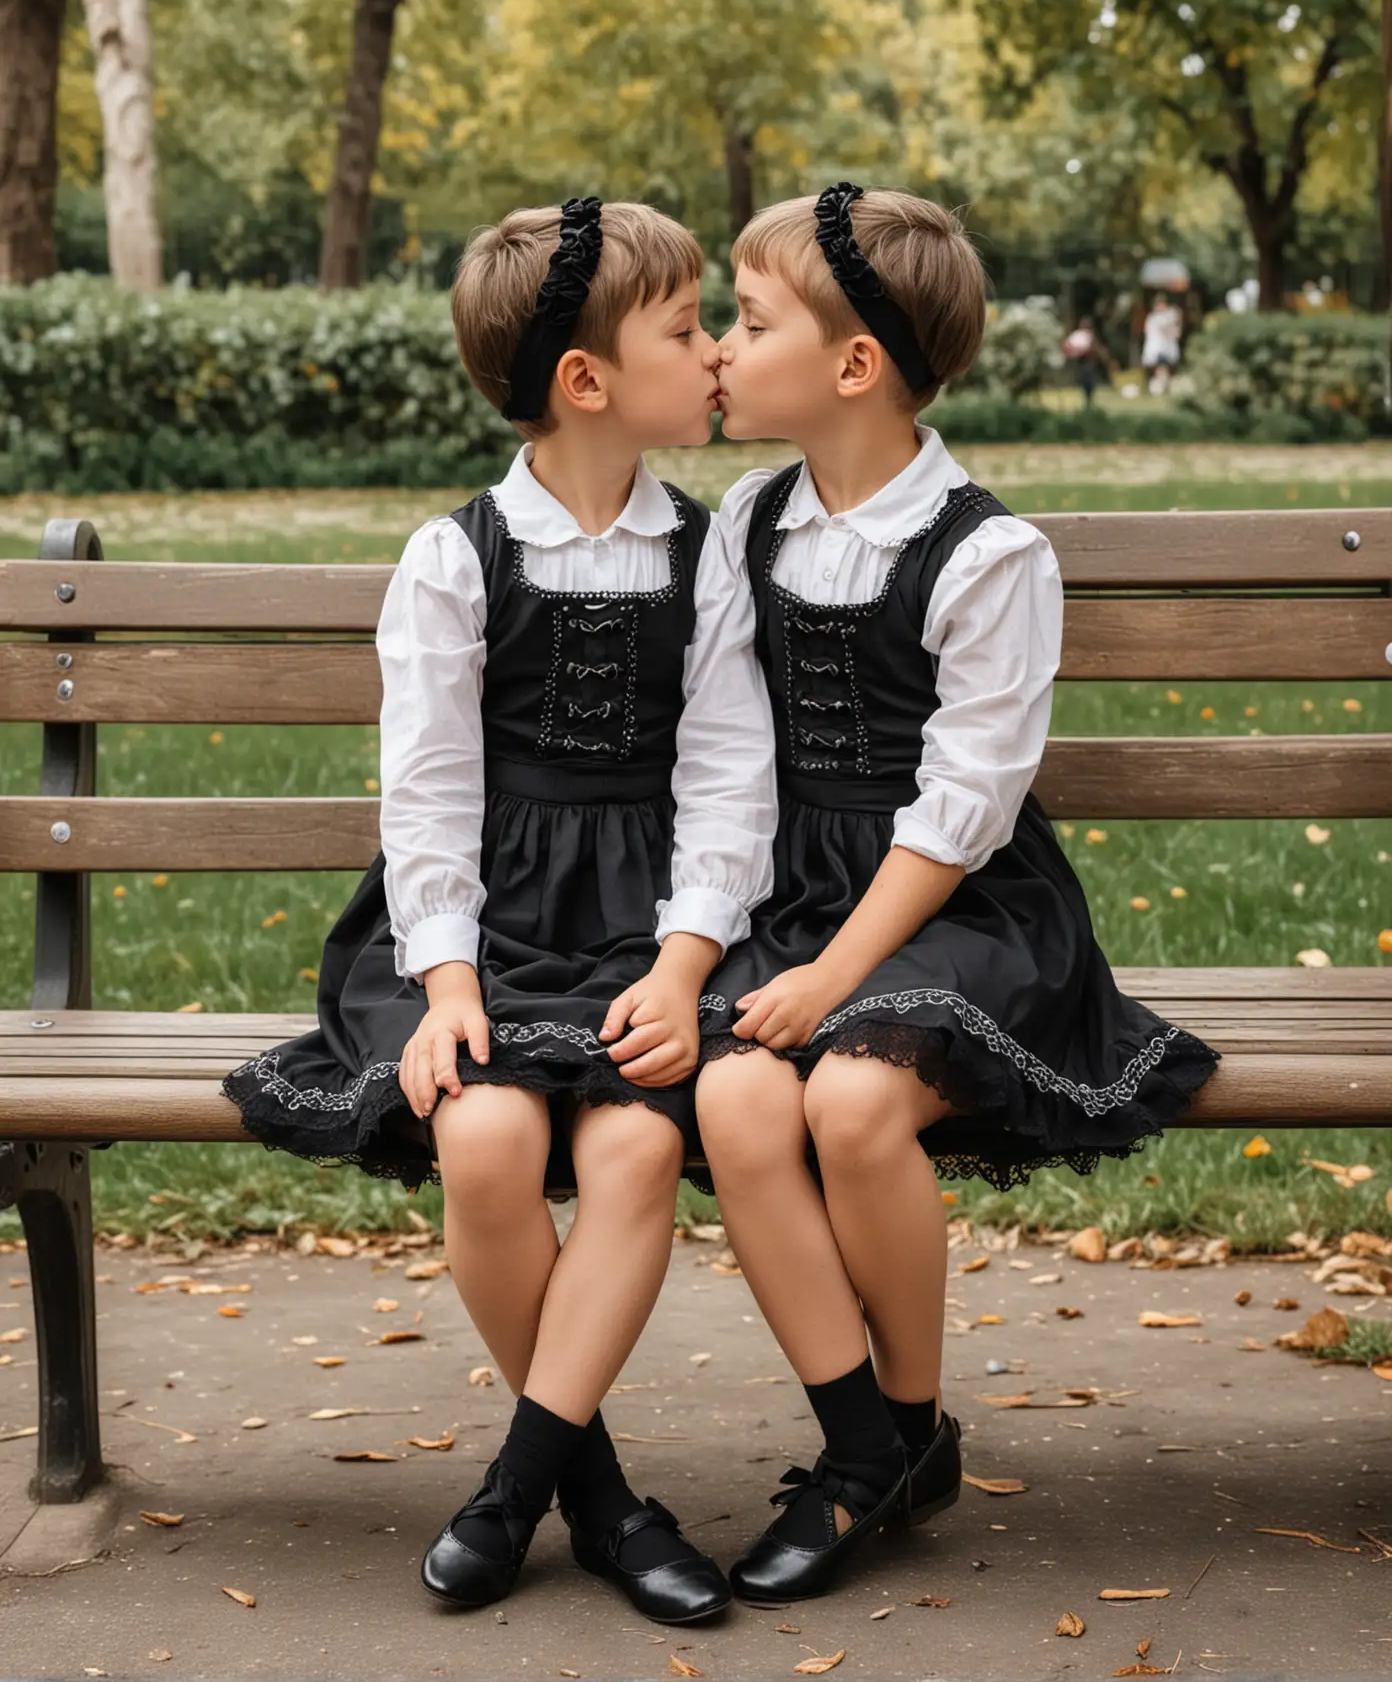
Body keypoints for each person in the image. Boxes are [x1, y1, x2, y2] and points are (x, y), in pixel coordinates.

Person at [224, 198, 777, 1623]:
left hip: (643, 935)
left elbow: (727, 784)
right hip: (475, 928)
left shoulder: (702, 552)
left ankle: (512, 1490)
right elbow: (425, 794)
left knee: (638, 1159)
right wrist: (450, 983)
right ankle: (596, 1496)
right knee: (481, 1138)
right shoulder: (454, 558)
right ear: (587, 380)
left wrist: (683, 964)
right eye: (685, 328)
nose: (712, 351)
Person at [691, 184, 1220, 1603]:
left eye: (746, 323)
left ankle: (908, 1427)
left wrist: (822, 977)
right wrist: (719, 955)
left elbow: (964, 810)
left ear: (855, 365)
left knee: (852, 1098)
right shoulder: (750, 523)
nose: (718, 350)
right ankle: (872, 1448)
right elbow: (735, 769)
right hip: (804, 895)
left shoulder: (990, 554)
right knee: (739, 1094)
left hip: (961, 908)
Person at [1060, 313, 1108, 407]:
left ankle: (1089, 399)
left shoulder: (1091, 336)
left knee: (1089, 380)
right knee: (1085, 379)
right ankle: (1087, 398)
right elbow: (1066, 346)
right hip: (1080, 361)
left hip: (1089, 361)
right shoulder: (1077, 335)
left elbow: (1096, 348)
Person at [1140, 293, 1182, 394]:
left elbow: (1176, 331)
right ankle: (1157, 387)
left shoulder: (1168, 315)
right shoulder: (1153, 317)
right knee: (1158, 369)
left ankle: (1163, 387)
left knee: (1164, 368)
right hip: (1155, 347)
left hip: (1166, 347)